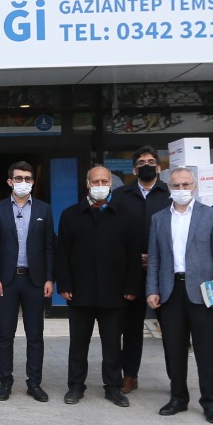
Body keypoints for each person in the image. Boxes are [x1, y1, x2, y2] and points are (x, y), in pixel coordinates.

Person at [146, 167, 213, 423]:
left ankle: (210, 402)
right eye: (176, 185)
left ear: (194, 186)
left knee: (206, 350)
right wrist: (152, 289)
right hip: (170, 290)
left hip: (203, 292)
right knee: (173, 348)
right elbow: (154, 258)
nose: (181, 189)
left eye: (186, 184)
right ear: (169, 188)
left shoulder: (211, 216)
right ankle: (178, 397)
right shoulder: (159, 219)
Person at [55, 166, 142, 406]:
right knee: (78, 343)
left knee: (112, 343)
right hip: (80, 291)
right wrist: (64, 284)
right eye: (96, 181)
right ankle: (75, 385)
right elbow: (62, 253)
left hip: (115, 292)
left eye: (104, 181)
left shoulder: (126, 215)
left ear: (111, 184)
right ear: (88, 184)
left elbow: (134, 255)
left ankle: (113, 387)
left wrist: (132, 287)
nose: (100, 185)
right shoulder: (70, 215)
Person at [0, 161, 55, 402]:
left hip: (35, 281)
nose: (23, 182)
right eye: (19, 178)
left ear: (33, 182)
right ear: (10, 182)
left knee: (35, 335)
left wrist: (49, 278)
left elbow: (49, 246)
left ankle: (34, 383)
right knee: (5, 334)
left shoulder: (44, 209)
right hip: (7, 281)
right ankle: (5, 382)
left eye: (28, 178)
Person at [110, 144, 171, 395]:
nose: (147, 166)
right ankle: (130, 375)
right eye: (142, 163)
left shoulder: (170, 194)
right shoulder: (120, 195)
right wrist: (135, 258)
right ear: (134, 170)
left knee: (171, 329)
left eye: (151, 162)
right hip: (131, 272)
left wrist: (155, 258)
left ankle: (176, 379)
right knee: (131, 327)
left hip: (165, 271)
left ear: (159, 167)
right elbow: (114, 233)